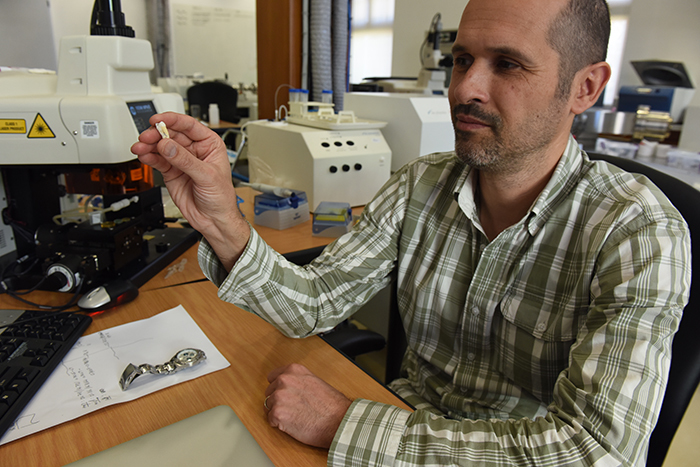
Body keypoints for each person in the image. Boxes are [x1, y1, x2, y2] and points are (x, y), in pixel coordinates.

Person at [131, 0, 691, 464]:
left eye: (508, 65)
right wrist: (222, 217)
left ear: (584, 88)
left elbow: (595, 452)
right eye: (462, 59)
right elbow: (314, 302)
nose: (465, 88)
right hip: (399, 427)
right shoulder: (420, 184)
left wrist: (343, 424)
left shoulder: (638, 230)